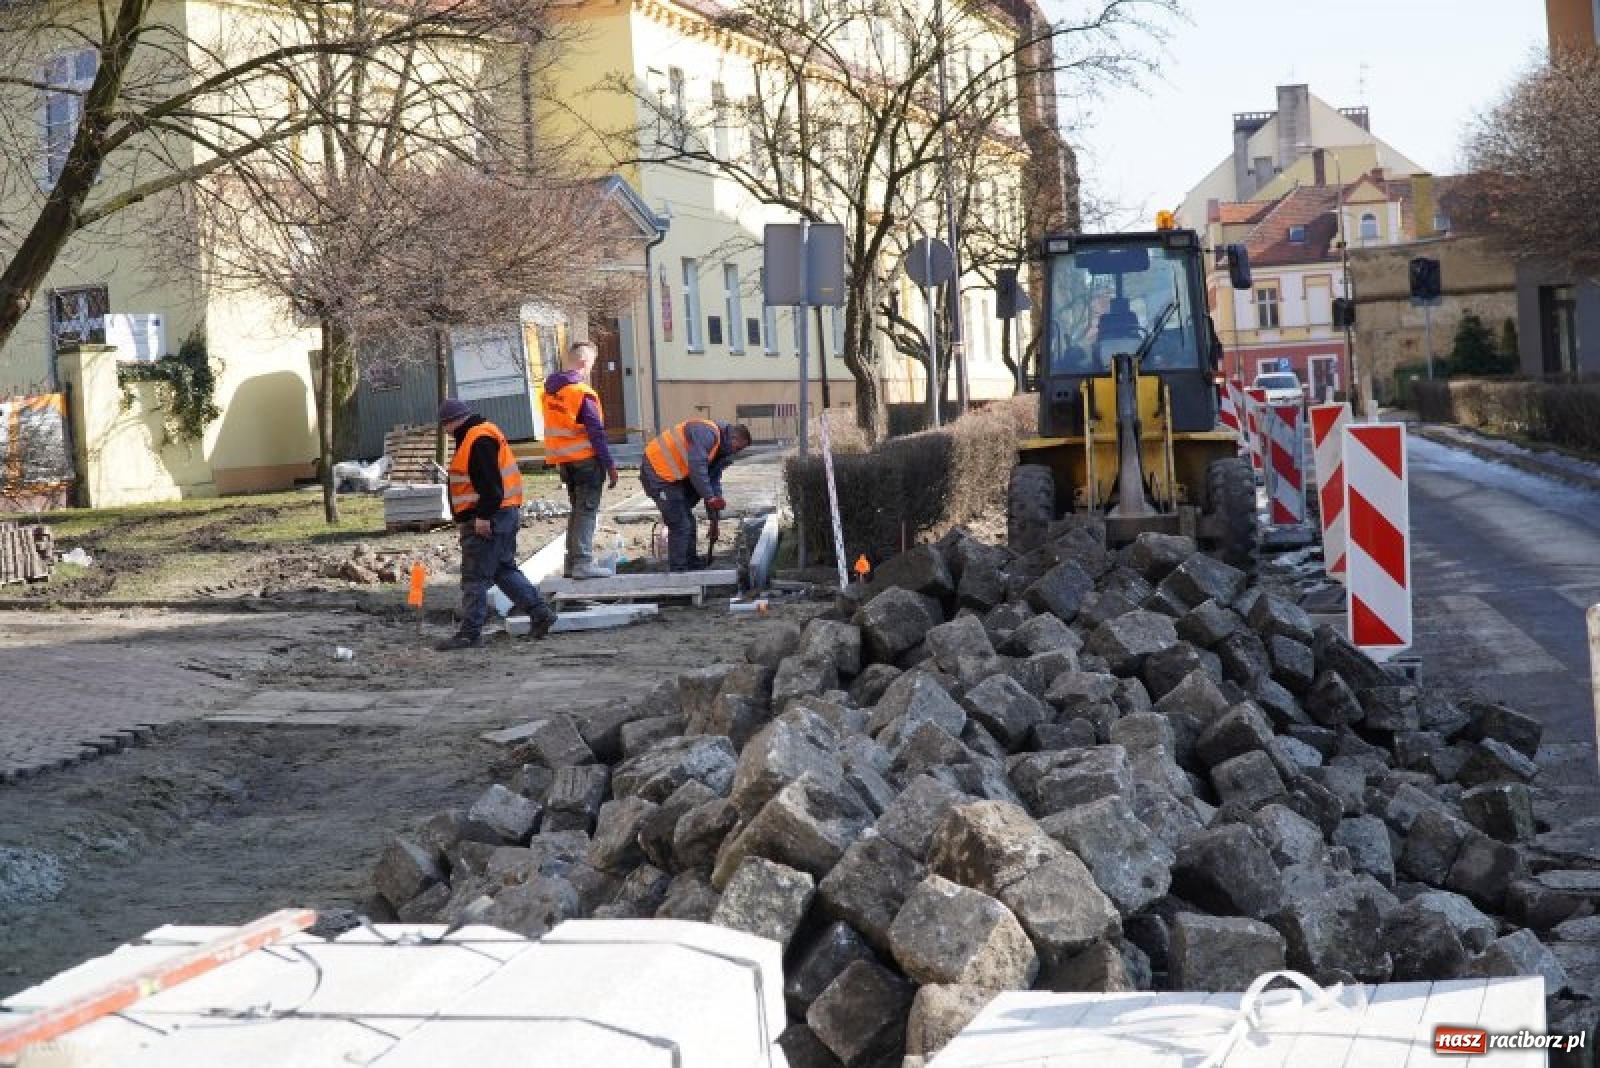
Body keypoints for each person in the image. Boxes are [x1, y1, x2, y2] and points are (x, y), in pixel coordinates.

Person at [436, 398, 559, 650]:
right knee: (503, 570)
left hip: (488, 517)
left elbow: (491, 487)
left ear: (451, 422)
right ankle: (540, 613)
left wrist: (482, 517)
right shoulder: (482, 434)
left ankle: (469, 633)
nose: (446, 432)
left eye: (445, 426)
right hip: (503, 514)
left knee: (474, 577)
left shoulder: (477, 440)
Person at [542, 339, 619, 579]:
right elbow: (596, 432)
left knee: (577, 510)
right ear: (584, 361)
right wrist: (610, 465)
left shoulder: (551, 391)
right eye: (592, 364)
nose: (590, 370)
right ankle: (582, 562)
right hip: (586, 460)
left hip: (564, 461)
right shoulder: (581, 393)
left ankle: (572, 562)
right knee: (586, 511)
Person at [640, 419, 752, 572]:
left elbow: (713, 484)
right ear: (733, 438)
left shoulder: (719, 451)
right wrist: (710, 498)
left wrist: (714, 521)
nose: (736, 453)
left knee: (688, 521)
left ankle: (691, 565)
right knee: (680, 524)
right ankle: (679, 573)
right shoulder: (706, 433)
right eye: (737, 448)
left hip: (673, 477)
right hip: (657, 471)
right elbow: (697, 469)